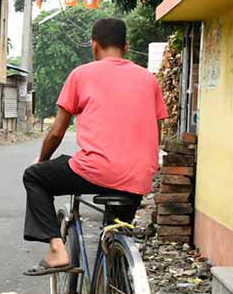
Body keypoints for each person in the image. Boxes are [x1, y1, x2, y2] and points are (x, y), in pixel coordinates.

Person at [22, 18, 167, 276]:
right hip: (138, 175)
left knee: (34, 177)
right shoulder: (149, 80)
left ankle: (57, 250)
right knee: (117, 229)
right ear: (127, 46)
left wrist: (42, 160)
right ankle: (118, 292)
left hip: (96, 171)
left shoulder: (82, 74)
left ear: (94, 45)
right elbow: (157, 133)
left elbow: (57, 133)